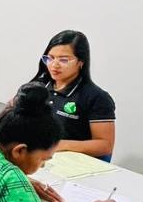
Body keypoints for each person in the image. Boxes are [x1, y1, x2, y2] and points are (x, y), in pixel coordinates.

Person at [31, 30, 115, 160]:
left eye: (63, 60)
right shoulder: (37, 87)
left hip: (70, 162)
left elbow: (105, 145)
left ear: (81, 62)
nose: (54, 65)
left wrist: (61, 145)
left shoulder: (96, 97)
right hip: (36, 156)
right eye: (50, 58)